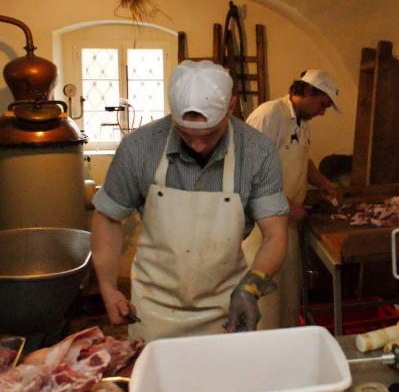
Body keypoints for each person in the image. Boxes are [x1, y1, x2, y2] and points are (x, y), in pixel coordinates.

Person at [91, 60, 289, 341]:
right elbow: (108, 217)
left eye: (209, 134)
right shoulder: (139, 148)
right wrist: (108, 288)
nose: (197, 145)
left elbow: (275, 234)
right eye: (186, 134)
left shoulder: (257, 152)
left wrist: (251, 288)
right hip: (154, 310)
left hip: (227, 307)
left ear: (230, 107)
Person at [244, 69, 341, 328]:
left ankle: (286, 354)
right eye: (323, 105)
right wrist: (285, 205)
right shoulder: (269, 115)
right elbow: (250, 172)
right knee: (266, 304)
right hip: (262, 230)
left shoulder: (302, 122)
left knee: (287, 301)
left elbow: (302, 159)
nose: (323, 112)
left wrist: (324, 182)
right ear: (308, 92)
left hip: (289, 225)